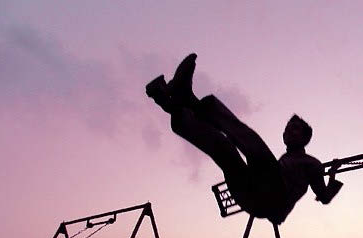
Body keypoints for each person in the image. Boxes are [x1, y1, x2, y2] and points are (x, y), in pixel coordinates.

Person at [146, 53, 343, 224]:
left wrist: (332, 175)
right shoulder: (282, 162)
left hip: (275, 200)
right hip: (251, 197)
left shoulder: (312, 164)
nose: (290, 132)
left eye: (296, 130)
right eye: (288, 129)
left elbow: (324, 197)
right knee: (224, 149)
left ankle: (189, 100)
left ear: (306, 138)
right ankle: (169, 102)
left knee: (252, 144)